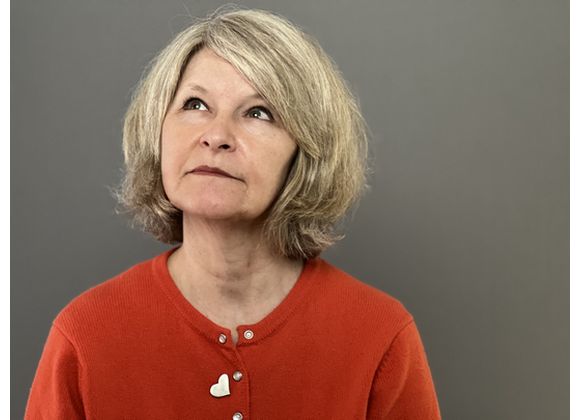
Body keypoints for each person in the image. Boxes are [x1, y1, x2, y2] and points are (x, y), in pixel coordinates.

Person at [25, 7, 441, 419]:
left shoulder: (380, 335)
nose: (217, 136)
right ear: (157, 131)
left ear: (305, 151)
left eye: (258, 112)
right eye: (195, 104)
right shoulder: (86, 334)